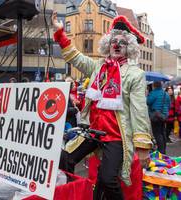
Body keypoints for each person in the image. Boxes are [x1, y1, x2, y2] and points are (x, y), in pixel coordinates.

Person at [52, 12, 152, 200]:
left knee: (108, 179)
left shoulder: (135, 74)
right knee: (64, 158)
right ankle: (71, 194)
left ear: (128, 47)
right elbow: (76, 57)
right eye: (113, 40)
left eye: (122, 42)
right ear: (108, 44)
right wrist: (60, 33)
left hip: (116, 136)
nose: (116, 44)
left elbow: (139, 110)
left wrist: (142, 146)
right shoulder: (99, 66)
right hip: (94, 131)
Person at [147, 81, 170, 154]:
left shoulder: (153, 93)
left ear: (154, 86)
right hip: (163, 116)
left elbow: (148, 102)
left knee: (157, 134)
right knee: (163, 133)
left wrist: (148, 95)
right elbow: (169, 105)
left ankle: (161, 152)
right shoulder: (166, 94)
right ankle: (164, 150)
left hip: (155, 116)